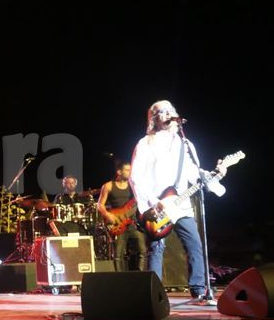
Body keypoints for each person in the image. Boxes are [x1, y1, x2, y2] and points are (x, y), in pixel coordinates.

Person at [130, 100, 226, 300]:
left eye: (170, 111)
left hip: (181, 203)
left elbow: (194, 173)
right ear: (153, 119)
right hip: (157, 204)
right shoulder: (145, 143)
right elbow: (136, 176)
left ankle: (199, 289)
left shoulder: (185, 143)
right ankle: (154, 293)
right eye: (161, 112)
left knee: (195, 245)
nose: (167, 114)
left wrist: (216, 174)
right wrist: (150, 202)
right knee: (156, 249)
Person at [97, 161, 146, 271]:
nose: (130, 172)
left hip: (134, 222)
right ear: (119, 172)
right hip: (118, 223)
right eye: (127, 170)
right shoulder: (108, 186)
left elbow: (142, 200)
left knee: (142, 252)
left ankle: (141, 276)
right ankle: (120, 278)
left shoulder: (134, 186)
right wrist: (107, 215)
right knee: (118, 255)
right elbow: (100, 205)